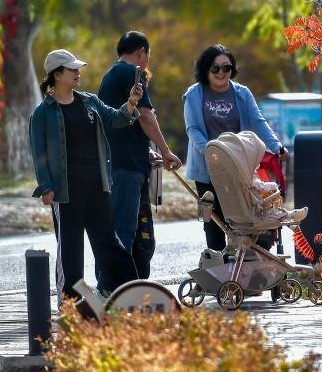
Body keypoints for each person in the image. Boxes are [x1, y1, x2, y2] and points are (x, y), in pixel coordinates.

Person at [29, 49, 140, 303]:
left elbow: (117, 119)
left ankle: (132, 292)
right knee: (70, 247)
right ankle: (70, 302)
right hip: (65, 190)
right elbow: (39, 153)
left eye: (77, 69)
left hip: (97, 184)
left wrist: (131, 103)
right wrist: (46, 186)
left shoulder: (89, 101)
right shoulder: (42, 113)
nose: (78, 73)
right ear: (57, 75)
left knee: (107, 241)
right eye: (72, 69)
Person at [183, 44, 288, 251]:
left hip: (238, 169)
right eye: (215, 68)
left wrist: (276, 146)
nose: (221, 73)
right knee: (213, 223)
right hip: (207, 168)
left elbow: (258, 121)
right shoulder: (194, 94)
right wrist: (210, 152)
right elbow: (193, 129)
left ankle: (245, 269)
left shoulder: (242, 93)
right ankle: (217, 270)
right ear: (206, 70)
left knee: (243, 220)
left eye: (226, 67)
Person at [98, 31, 182, 278]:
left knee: (113, 230)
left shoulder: (109, 76)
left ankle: (109, 284)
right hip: (127, 167)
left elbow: (118, 122)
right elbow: (145, 115)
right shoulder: (133, 73)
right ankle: (114, 289)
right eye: (148, 55)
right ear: (142, 52)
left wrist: (145, 150)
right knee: (125, 231)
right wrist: (166, 151)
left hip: (115, 162)